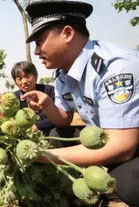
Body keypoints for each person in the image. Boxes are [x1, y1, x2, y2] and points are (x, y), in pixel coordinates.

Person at [21, 1, 139, 206]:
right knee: (55, 135)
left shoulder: (115, 68)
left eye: (39, 42)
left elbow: (123, 146)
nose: (38, 51)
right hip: (107, 135)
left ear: (67, 33)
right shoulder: (63, 76)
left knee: (126, 182)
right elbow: (64, 120)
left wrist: (41, 155)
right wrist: (48, 105)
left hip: (130, 141)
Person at [11, 61, 55, 136]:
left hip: (52, 132)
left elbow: (58, 115)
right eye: (19, 78)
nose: (24, 81)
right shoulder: (14, 99)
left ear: (36, 76)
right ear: (15, 82)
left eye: (27, 76)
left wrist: (38, 126)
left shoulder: (49, 90)